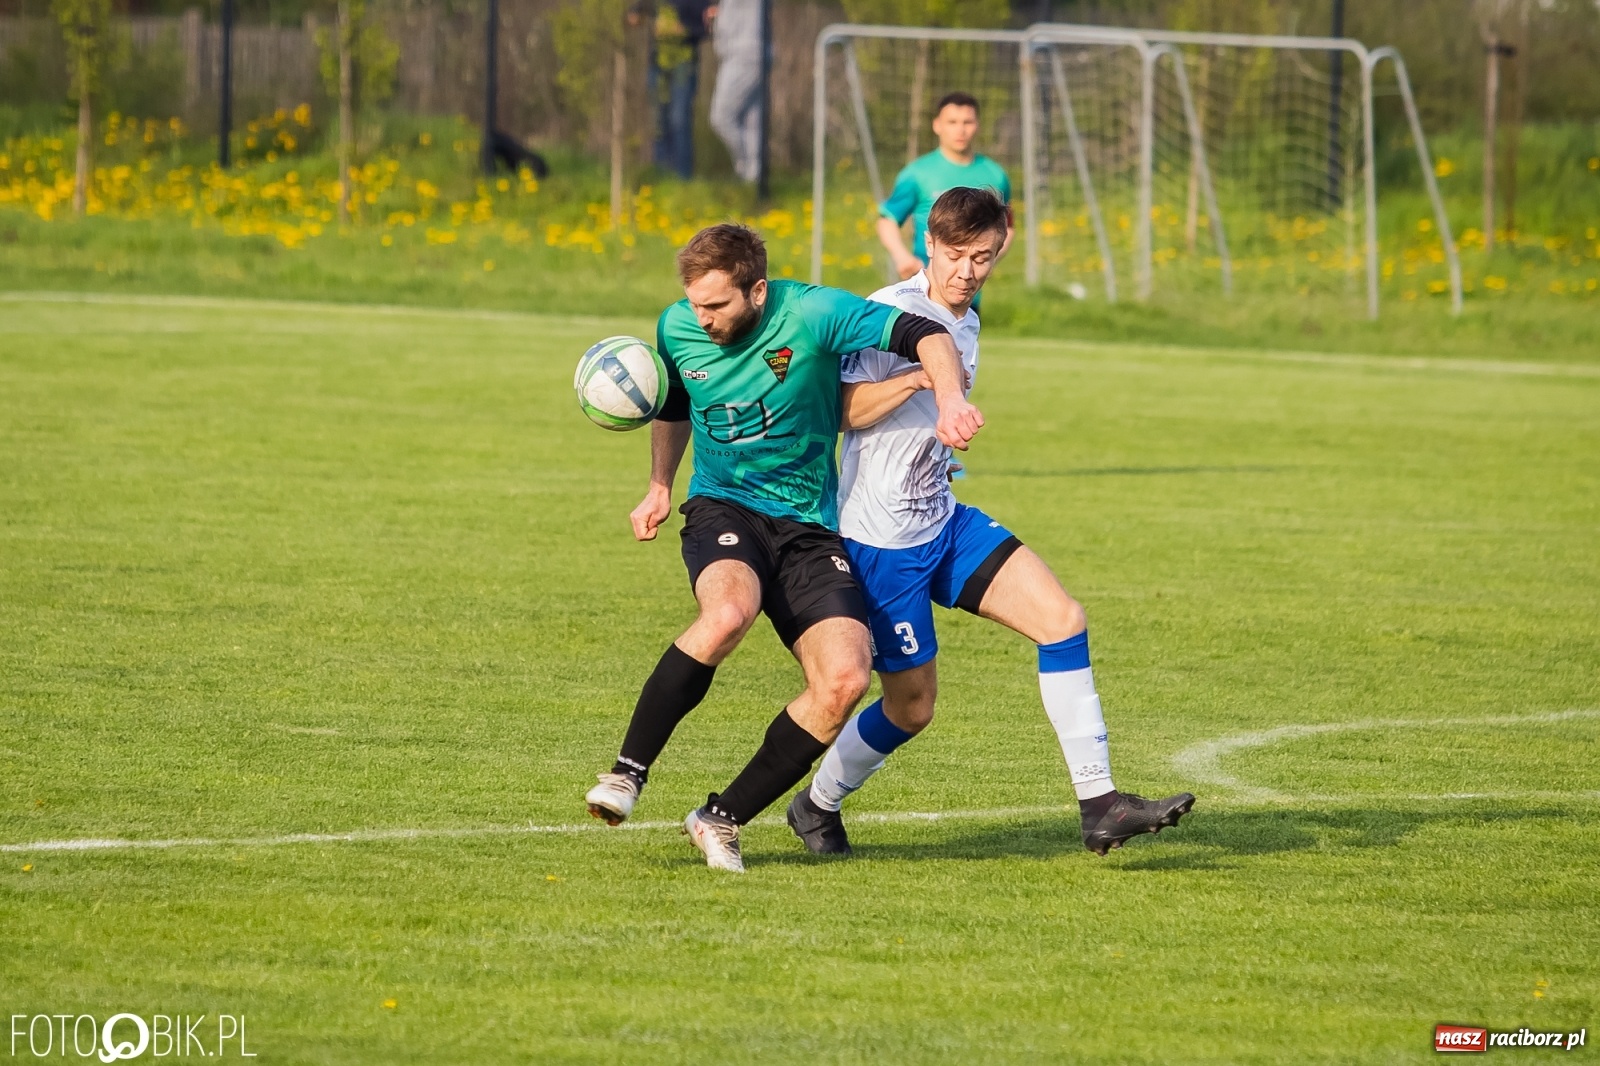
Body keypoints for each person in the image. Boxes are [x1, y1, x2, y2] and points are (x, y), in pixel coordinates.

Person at [789, 187, 1195, 858]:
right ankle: (816, 803)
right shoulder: (889, 312)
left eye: (981, 257)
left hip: (943, 522)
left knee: (1063, 619)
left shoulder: (969, 318)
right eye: (954, 256)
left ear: (999, 251)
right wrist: (922, 382)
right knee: (912, 709)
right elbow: (841, 412)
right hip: (881, 542)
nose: (966, 272)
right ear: (928, 247)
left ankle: (1100, 805)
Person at [583, 223, 985, 873]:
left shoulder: (816, 313)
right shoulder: (678, 327)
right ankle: (628, 773)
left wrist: (945, 396)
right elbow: (675, 403)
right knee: (727, 614)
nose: (702, 319)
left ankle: (721, 818)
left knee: (846, 680)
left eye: (717, 305)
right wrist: (659, 485)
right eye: (694, 303)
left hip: (808, 528)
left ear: (758, 290)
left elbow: (926, 334)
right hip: (724, 505)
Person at [876, 92, 1013, 307]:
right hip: (925, 290)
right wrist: (901, 256)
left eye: (967, 122)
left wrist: (985, 258)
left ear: (977, 125)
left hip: (968, 292)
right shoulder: (918, 173)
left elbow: (1007, 227)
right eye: (952, 122)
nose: (960, 129)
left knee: (961, 339)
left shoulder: (995, 175)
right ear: (937, 125)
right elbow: (888, 220)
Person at [646, 0, 715, 179]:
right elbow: (638, 10)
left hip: (684, 65)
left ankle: (683, 177)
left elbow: (707, 29)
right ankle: (660, 174)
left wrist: (683, 30)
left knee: (679, 119)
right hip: (658, 64)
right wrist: (634, 17)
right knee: (659, 122)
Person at [708, 0, 762, 183]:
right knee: (751, 120)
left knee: (721, 117)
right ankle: (753, 176)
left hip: (743, 54)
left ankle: (747, 168)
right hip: (748, 52)